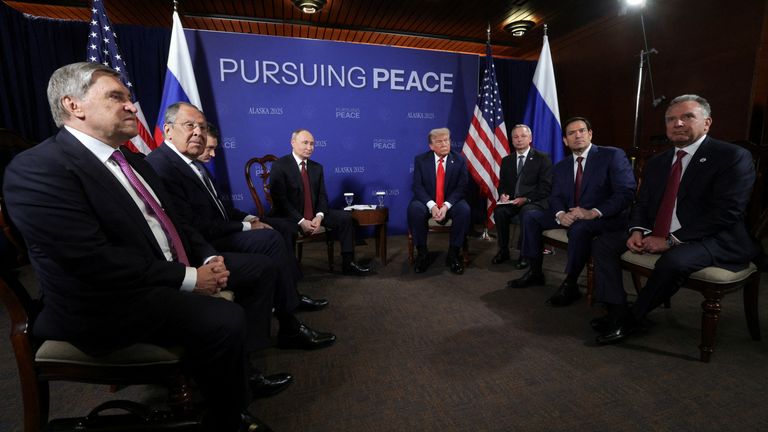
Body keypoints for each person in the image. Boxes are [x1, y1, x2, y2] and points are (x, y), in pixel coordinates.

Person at [2, 62, 269, 431]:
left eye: (129, 98)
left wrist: (209, 257)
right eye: (117, 97)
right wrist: (191, 278)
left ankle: (239, 374)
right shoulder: (37, 168)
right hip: (102, 304)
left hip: (155, 278)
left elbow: (177, 222)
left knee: (257, 270)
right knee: (225, 318)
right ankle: (229, 417)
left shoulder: (134, 161)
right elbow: (91, 261)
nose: (131, 106)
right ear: (73, 105)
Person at [147, 103, 336, 350]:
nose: (198, 133)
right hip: (202, 245)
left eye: (202, 127)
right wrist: (246, 229)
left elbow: (223, 210)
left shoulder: (193, 164)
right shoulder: (162, 165)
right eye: (190, 125)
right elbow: (191, 226)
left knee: (270, 235)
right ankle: (289, 316)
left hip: (215, 232)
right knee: (271, 240)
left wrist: (250, 220)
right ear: (168, 130)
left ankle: (288, 311)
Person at [592, 94, 757, 344]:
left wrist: (671, 240)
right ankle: (616, 310)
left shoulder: (732, 156)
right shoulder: (658, 162)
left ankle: (631, 319)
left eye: (687, 117)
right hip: (659, 231)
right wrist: (637, 230)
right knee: (604, 244)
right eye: (671, 119)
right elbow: (643, 203)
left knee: (674, 261)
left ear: (707, 122)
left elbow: (726, 213)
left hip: (713, 237)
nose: (677, 124)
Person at [507, 117, 636, 307]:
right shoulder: (561, 166)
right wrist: (560, 214)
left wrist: (593, 212)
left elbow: (625, 193)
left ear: (590, 134)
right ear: (565, 141)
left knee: (579, 229)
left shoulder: (611, 156)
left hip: (603, 218)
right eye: (571, 133)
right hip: (571, 215)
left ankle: (571, 282)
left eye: (582, 131)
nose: (578, 135)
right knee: (530, 215)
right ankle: (535, 272)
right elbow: (555, 196)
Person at [268, 129, 371, 276]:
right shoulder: (280, 165)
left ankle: (348, 263)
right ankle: (290, 270)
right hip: (290, 216)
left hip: (314, 215)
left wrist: (319, 216)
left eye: (312, 144)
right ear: (293, 143)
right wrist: (301, 220)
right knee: (288, 229)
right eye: (305, 143)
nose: (310, 147)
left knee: (346, 218)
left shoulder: (317, 168)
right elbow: (280, 201)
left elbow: (322, 196)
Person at [407, 127, 470, 274]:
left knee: (464, 210)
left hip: (451, 201)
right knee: (414, 209)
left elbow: (462, 187)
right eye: (439, 141)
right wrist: (432, 205)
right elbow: (417, 186)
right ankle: (422, 253)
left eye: (446, 140)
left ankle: (453, 254)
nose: (444, 144)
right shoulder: (421, 160)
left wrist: (446, 206)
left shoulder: (460, 160)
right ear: (431, 146)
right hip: (427, 200)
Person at [492, 124, 553, 268]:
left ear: (530, 138)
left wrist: (526, 199)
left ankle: (525, 254)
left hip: (533, 201)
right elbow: (503, 185)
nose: (519, 140)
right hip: (513, 202)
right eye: (516, 137)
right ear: (512, 140)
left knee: (526, 213)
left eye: (523, 136)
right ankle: (503, 250)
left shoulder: (542, 158)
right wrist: (503, 195)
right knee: (499, 211)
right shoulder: (507, 160)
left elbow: (545, 187)